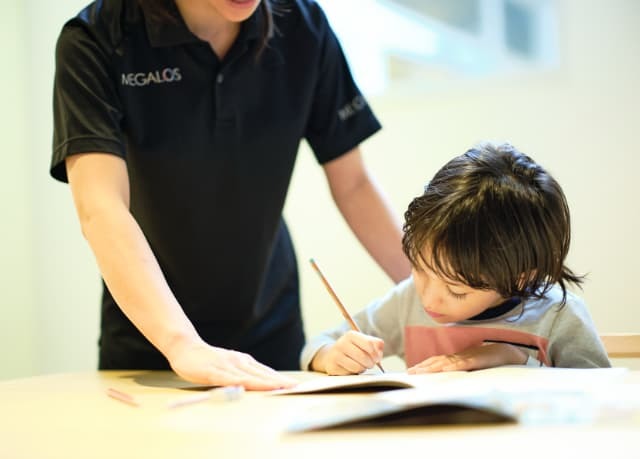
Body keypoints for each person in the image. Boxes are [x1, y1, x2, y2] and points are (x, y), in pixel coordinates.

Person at [50, 0, 411, 390]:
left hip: (271, 329)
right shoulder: (97, 38)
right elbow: (101, 208)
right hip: (152, 340)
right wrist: (183, 344)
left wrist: (431, 294)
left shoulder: (302, 25)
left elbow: (353, 184)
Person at [302, 142, 611, 375]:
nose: (429, 300)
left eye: (456, 291)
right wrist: (331, 355)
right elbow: (315, 345)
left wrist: (517, 360)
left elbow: (599, 398)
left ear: (519, 277)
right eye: (420, 269)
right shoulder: (407, 301)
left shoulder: (556, 316)